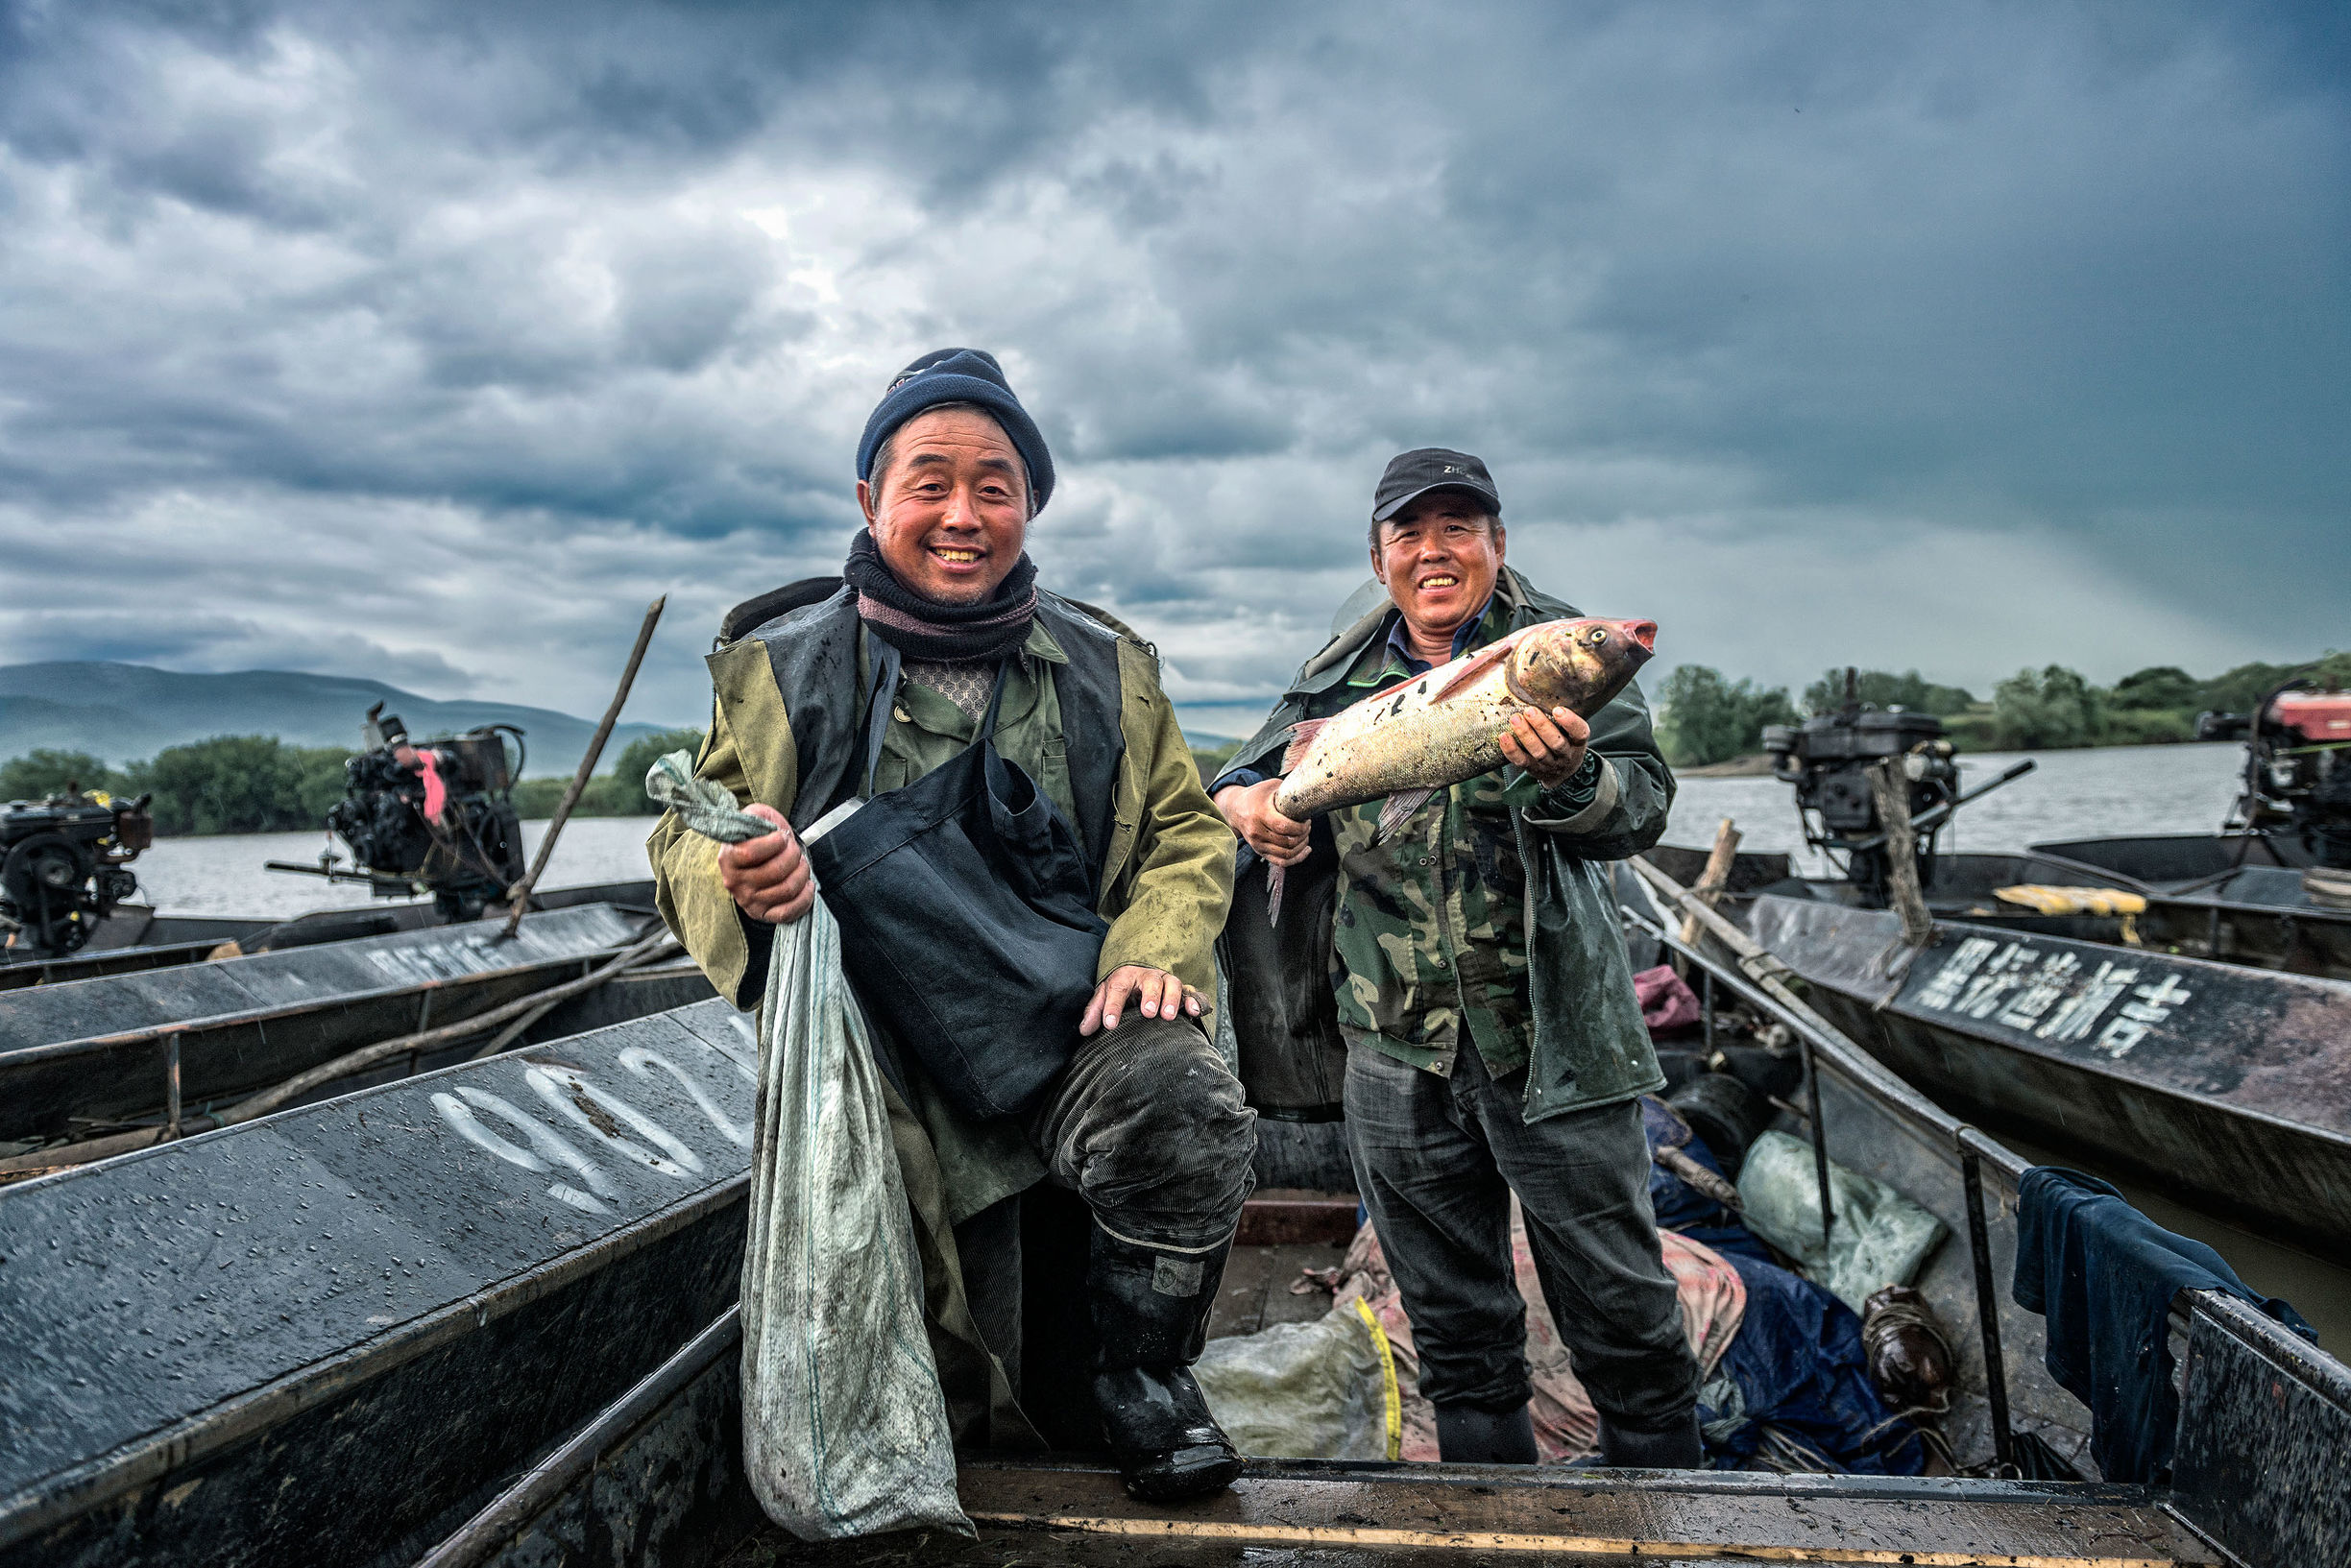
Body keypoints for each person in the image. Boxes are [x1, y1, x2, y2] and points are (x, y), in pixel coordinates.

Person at [648, 350, 1254, 1501]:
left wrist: (1154, 949)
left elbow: (1186, 833)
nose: (963, 515)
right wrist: (745, 871)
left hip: (1068, 1015)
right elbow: (688, 836)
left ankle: (1147, 1378)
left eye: (997, 485)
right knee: (923, 1332)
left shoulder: (1106, 667)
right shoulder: (780, 668)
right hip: (883, 1049)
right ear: (871, 500)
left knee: (1184, 1099)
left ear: (1030, 505)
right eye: (930, 482)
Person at [1211, 448, 1703, 1467]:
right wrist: (1251, 808)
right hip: (1393, 1050)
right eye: (1410, 532)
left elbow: (1645, 804)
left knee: (1626, 1317)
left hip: (1555, 1040)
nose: (1434, 550)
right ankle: (1486, 1523)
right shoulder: (1340, 671)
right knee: (1456, 1334)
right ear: (1382, 553)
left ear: (1496, 543)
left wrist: (1570, 779)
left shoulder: (1565, 649)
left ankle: (1672, 1516)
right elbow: (1246, 774)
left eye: (1458, 528)